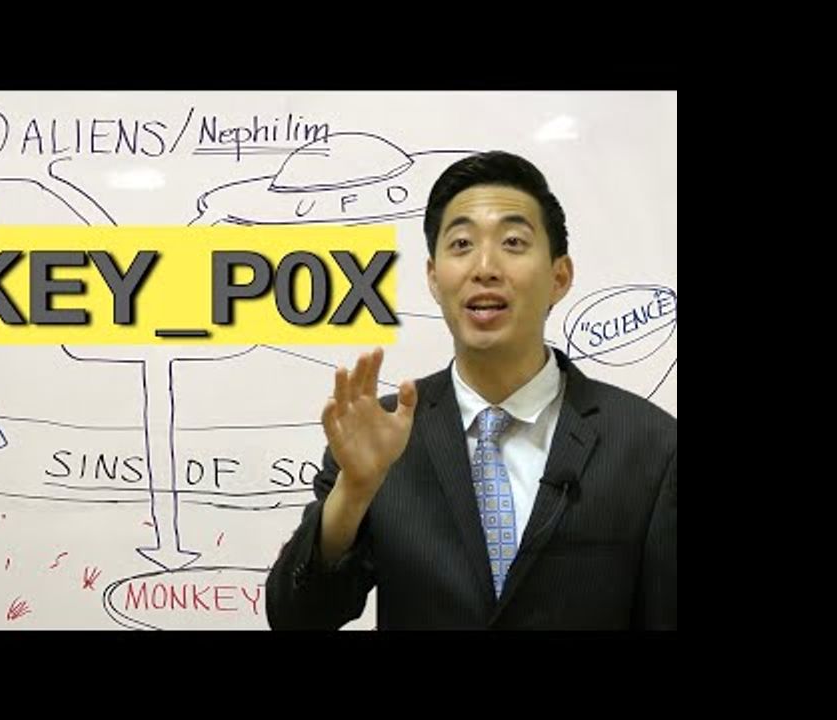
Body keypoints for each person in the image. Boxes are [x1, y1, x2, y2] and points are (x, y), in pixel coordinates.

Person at [265, 151, 676, 630]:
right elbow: (297, 619)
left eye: (513, 242)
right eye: (461, 244)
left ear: (559, 277)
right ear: (433, 278)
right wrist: (353, 492)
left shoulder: (651, 446)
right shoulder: (380, 438)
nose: (485, 267)